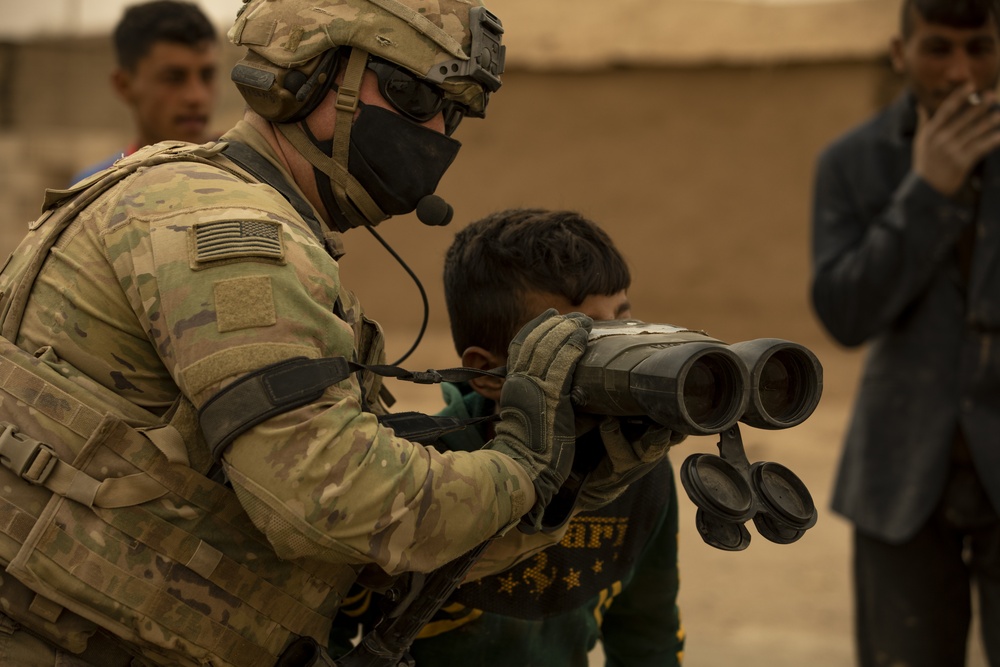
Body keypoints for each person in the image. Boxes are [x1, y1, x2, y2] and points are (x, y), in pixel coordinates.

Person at [0, 1, 676, 666]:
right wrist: (523, 468)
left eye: (456, 112)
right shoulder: (224, 231)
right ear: (311, 76)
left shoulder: (232, 215)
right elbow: (330, 501)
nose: (439, 130)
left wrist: (571, 478)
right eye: (415, 96)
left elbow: (362, 561)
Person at [331, 208, 685, 666]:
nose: (617, 353)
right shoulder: (416, 469)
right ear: (488, 373)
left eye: (621, 324)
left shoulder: (637, 472)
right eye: (575, 341)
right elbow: (323, 632)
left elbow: (647, 638)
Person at [810, 0, 1000, 664]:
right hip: (901, 477)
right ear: (901, 54)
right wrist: (927, 191)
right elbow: (844, 315)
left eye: (980, 47)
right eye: (938, 48)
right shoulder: (852, 162)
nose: (960, 71)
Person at [69, 0, 219, 184]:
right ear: (123, 85)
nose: (197, 97)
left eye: (207, 76)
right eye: (174, 78)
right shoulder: (95, 191)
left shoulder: (248, 174)